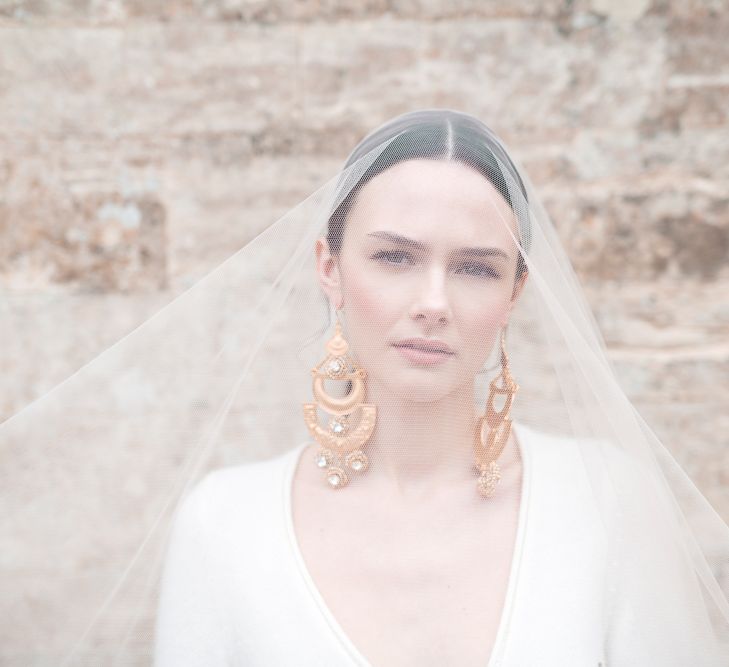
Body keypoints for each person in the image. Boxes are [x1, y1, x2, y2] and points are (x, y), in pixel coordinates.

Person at [2, 110, 727, 666]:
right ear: (328, 266)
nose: (433, 300)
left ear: (515, 291)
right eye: (394, 257)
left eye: (475, 267)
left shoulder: (606, 500)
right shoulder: (224, 523)